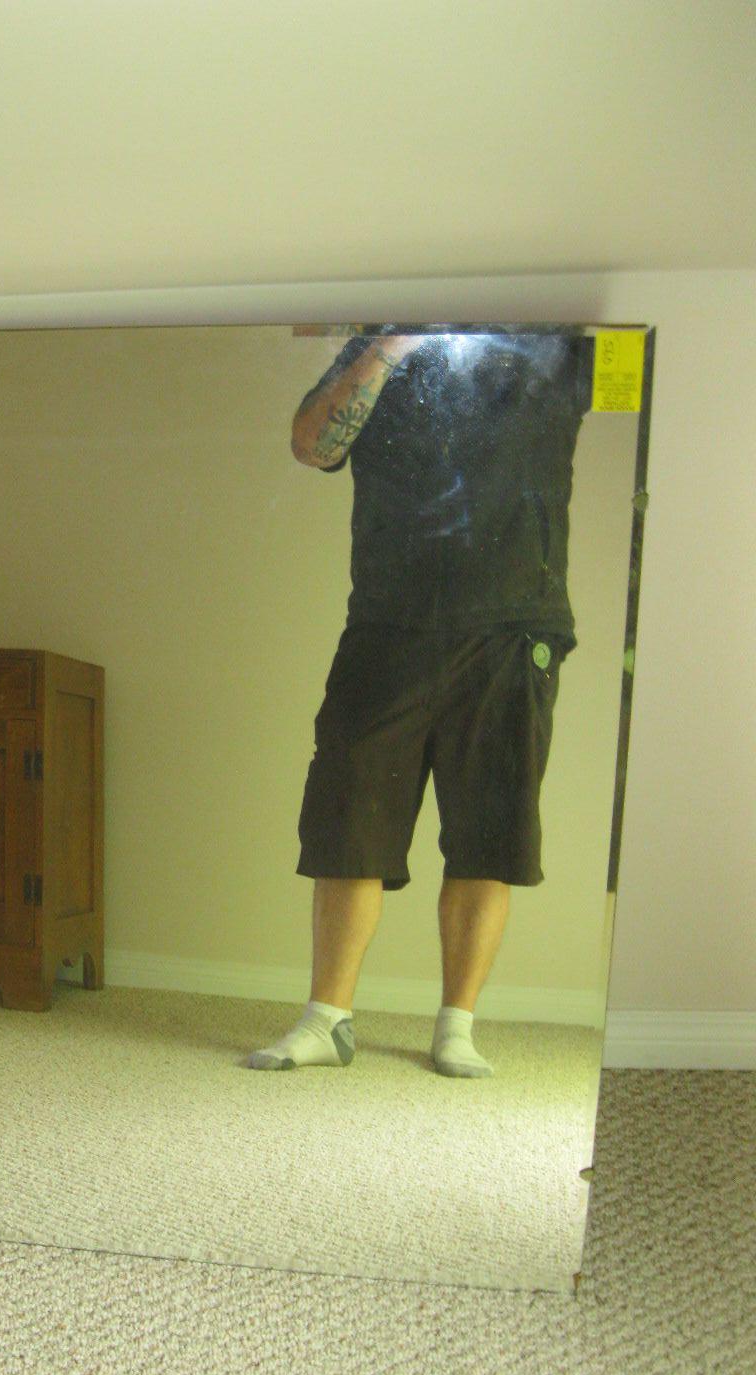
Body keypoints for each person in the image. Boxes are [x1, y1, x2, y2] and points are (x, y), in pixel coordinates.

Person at [247, 327, 594, 1077]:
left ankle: (456, 1028)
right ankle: (326, 1020)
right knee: (348, 821)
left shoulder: (558, 336)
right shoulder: (383, 339)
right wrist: (393, 342)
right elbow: (312, 446)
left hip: (515, 623)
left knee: (489, 836)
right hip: (387, 622)